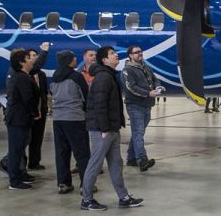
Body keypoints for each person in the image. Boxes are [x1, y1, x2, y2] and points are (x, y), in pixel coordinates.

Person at [81, 46, 143, 211]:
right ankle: (86, 200)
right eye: (112, 54)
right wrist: (104, 129)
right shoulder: (103, 77)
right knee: (95, 164)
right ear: (104, 60)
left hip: (112, 128)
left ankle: (123, 197)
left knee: (116, 163)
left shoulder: (109, 76)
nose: (116, 55)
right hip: (102, 129)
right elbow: (99, 105)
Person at [50, 50, 91, 194]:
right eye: (74, 58)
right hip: (74, 118)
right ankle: (86, 185)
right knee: (82, 153)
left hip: (58, 119)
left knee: (62, 152)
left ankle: (63, 183)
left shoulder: (54, 77)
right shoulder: (76, 76)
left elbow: (51, 94)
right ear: (69, 61)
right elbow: (86, 95)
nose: (76, 60)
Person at [122, 45, 163, 172]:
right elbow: (131, 87)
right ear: (130, 55)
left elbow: (154, 79)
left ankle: (131, 158)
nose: (140, 53)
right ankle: (142, 160)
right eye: (136, 52)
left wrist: (158, 87)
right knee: (138, 133)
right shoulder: (128, 70)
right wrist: (148, 93)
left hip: (147, 105)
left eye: (140, 51)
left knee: (138, 133)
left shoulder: (145, 67)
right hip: (135, 105)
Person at [5, 49, 40, 190]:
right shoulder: (21, 78)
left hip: (22, 118)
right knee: (16, 151)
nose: (32, 60)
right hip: (18, 119)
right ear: (21, 62)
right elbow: (28, 98)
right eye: (28, 58)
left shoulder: (25, 76)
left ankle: (18, 176)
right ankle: (14, 181)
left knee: (19, 150)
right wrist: (35, 112)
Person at [26, 45, 49, 170]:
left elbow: (44, 92)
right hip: (29, 112)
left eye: (36, 55)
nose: (35, 58)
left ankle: (34, 162)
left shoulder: (41, 75)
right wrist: (44, 51)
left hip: (41, 111)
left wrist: (44, 107)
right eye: (33, 56)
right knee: (25, 138)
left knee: (38, 137)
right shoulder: (26, 74)